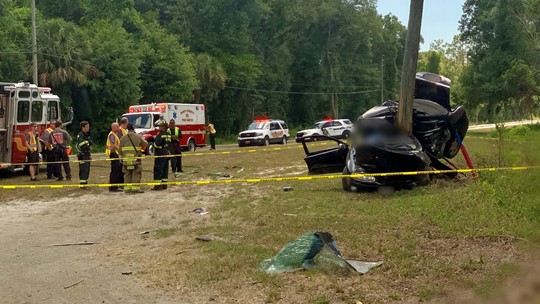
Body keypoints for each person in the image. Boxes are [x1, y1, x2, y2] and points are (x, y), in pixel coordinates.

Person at [119, 123, 148, 194]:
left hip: (126, 160)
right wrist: (142, 138)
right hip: (135, 160)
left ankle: (127, 189)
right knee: (136, 173)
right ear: (133, 128)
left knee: (127, 174)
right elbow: (146, 144)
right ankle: (135, 189)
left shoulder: (122, 138)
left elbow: (119, 150)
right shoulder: (137, 137)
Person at [150, 119, 171, 190]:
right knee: (165, 169)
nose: (159, 127)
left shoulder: (160, 135)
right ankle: (164, 185)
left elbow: (156, 144)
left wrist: (154, 142)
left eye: (160, 126)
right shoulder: (168, 134)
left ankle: (158, 186)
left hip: (160, 154)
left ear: (164, 127)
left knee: (158, 169)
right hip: (166, 153)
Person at [106, 122, 123, 192]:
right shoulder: (112, 135)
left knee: (116, 169)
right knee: (115, 170)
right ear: (113, 127)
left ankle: (115, 186)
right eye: (117, 126)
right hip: (113, 154)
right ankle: (114, 187)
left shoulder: (114, 134)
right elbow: (112, 145)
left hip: (115, 154)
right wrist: (119, 148)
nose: (119, 128)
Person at [76, 121, 92, 188]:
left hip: (87, 154)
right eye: (87, 127)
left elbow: (90, 143)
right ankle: (83, 185)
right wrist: (87, 145)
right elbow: (82, 145)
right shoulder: (81, 135)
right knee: (83, 170)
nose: (88, 128)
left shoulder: (86, 135)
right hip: (83, 155)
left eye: (88, 126)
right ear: (83, 127)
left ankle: (85, 183)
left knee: (87, 169)